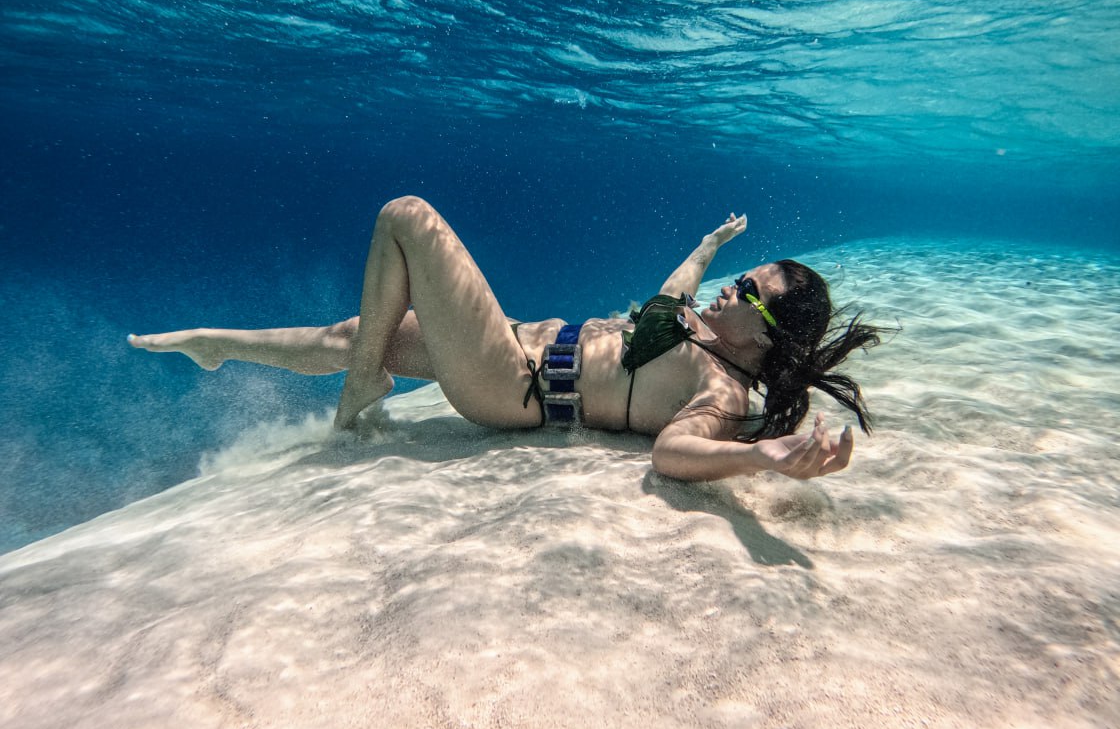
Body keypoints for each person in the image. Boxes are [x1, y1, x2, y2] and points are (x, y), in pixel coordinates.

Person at [129, 197, 880, 482]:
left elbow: (673, 454)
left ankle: (362, 389)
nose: (731, 288)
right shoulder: (698, 328)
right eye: (740, 277)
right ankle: (221, 346)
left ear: (769, 337)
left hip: (512, 384)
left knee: (407, 217)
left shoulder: (721, 390)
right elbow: (676, 286)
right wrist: (712, 244)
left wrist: (762, 456)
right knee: (359, 332)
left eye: (749, 293)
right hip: (517, 342)